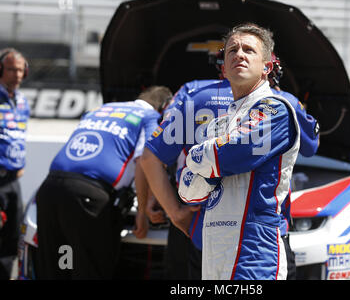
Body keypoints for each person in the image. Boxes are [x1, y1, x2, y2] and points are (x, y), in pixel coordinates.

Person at [178, 23, 317, 280]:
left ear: (267, 67)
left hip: (254, 250)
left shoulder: (276, 109)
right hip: (214, 247)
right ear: (223, 67)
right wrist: (208, 160)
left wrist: (200, 158)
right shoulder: (220, 123)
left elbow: (232, 154)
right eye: (232, 50)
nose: (239, 54)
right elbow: (189, 192)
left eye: (249, 50)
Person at [35, 85, 172, 279]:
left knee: (58, 268)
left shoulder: (101, 109)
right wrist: (142, 212)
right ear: (164, 107)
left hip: (50, 190)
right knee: (89, 271)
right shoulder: (150, 117)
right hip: (88, 198)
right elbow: (146, 160)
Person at [140, 79, 233, 279]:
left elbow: (150, 156)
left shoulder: (192, 91)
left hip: (196, 214)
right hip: (260, 234)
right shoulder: (281, 100)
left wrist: (172, 210)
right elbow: (310, 145)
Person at [0, 48, 30, 279]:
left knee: (13, 238)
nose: (16, 75)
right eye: (11, 70)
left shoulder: (23, 101)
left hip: (13, 181)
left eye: (20, 70)